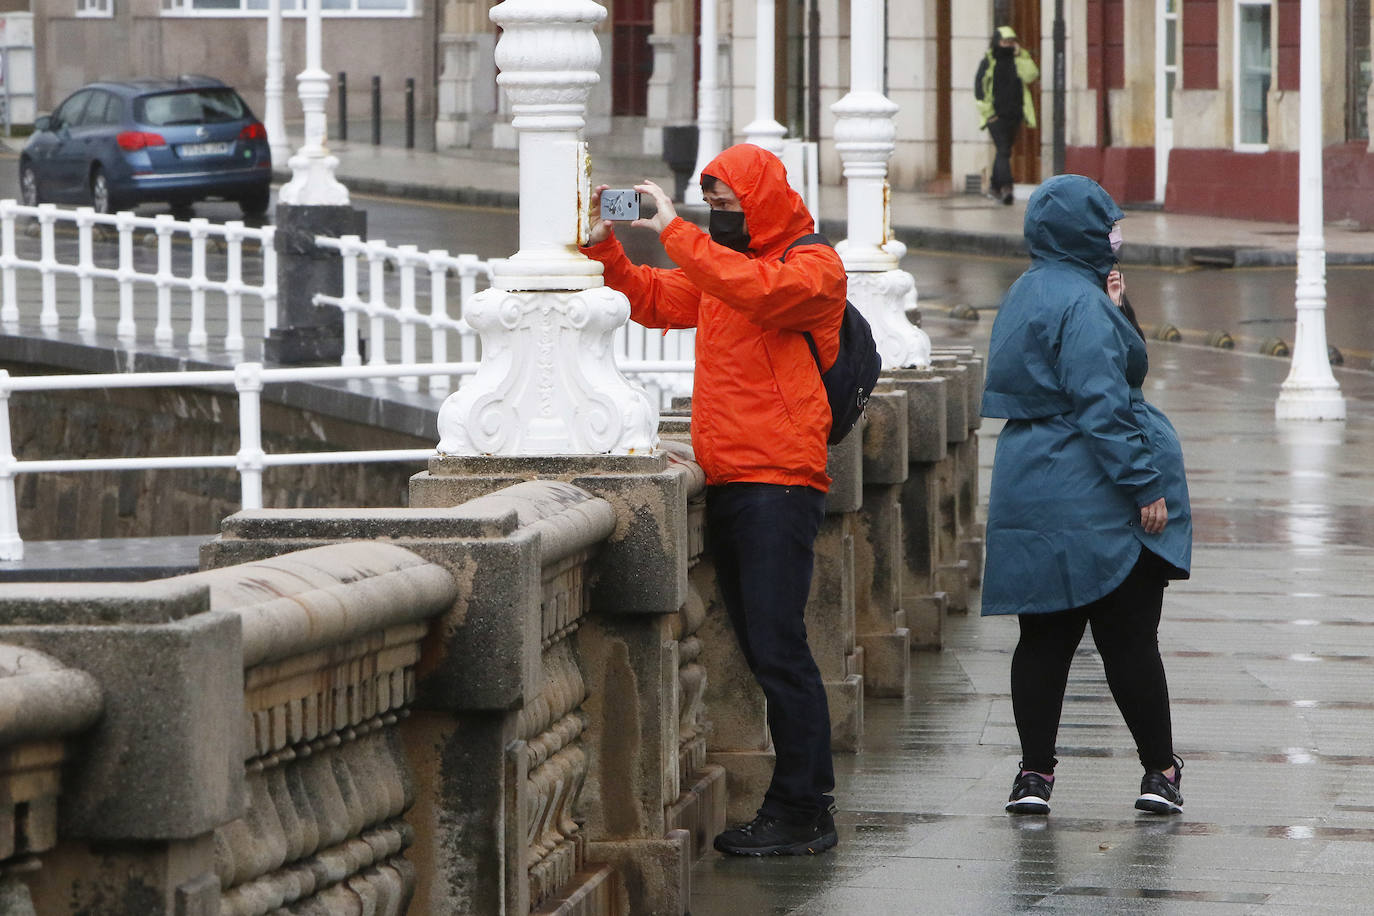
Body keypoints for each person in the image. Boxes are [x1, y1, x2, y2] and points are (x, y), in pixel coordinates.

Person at [581, 143, 846, 856]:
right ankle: (801, 805)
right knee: (768, 649)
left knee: (779, 649)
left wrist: (676, 231)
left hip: (780, 482)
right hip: (733, 477)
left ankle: (802, 810)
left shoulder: (813, 268)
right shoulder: (722, 270)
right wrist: (605, 247)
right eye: (712, 208)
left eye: (728, 207)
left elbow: (757, 290)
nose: (718, 218)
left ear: (758, 204)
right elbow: (653, 300)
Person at [979, 174, 1192, 817]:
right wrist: (1144, 486)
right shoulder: (1083, 303)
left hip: (1031, 485)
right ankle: (1160, 768)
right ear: (1085, 232)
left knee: (1042, 639)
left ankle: (1034, 774)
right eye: (1109, 227)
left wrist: (1115, 306)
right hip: (1094, 493)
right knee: (1128, 638)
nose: (1117, 237)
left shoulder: (1027, 290)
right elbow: (1103, 403)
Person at [974, 25, 1039, 205]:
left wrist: (1021, 55)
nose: (1008, 45)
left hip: (1015, 114)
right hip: (995, 116)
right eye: (1005, 42)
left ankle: (995, 187)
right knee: (1004, 150)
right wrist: (988, 113)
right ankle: (1007, 188)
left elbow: (1031, 75)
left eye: (1012, 42)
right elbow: (979, 89)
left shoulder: (1018, 59)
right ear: (997, 42)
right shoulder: (988, 61)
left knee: (1003, 151)